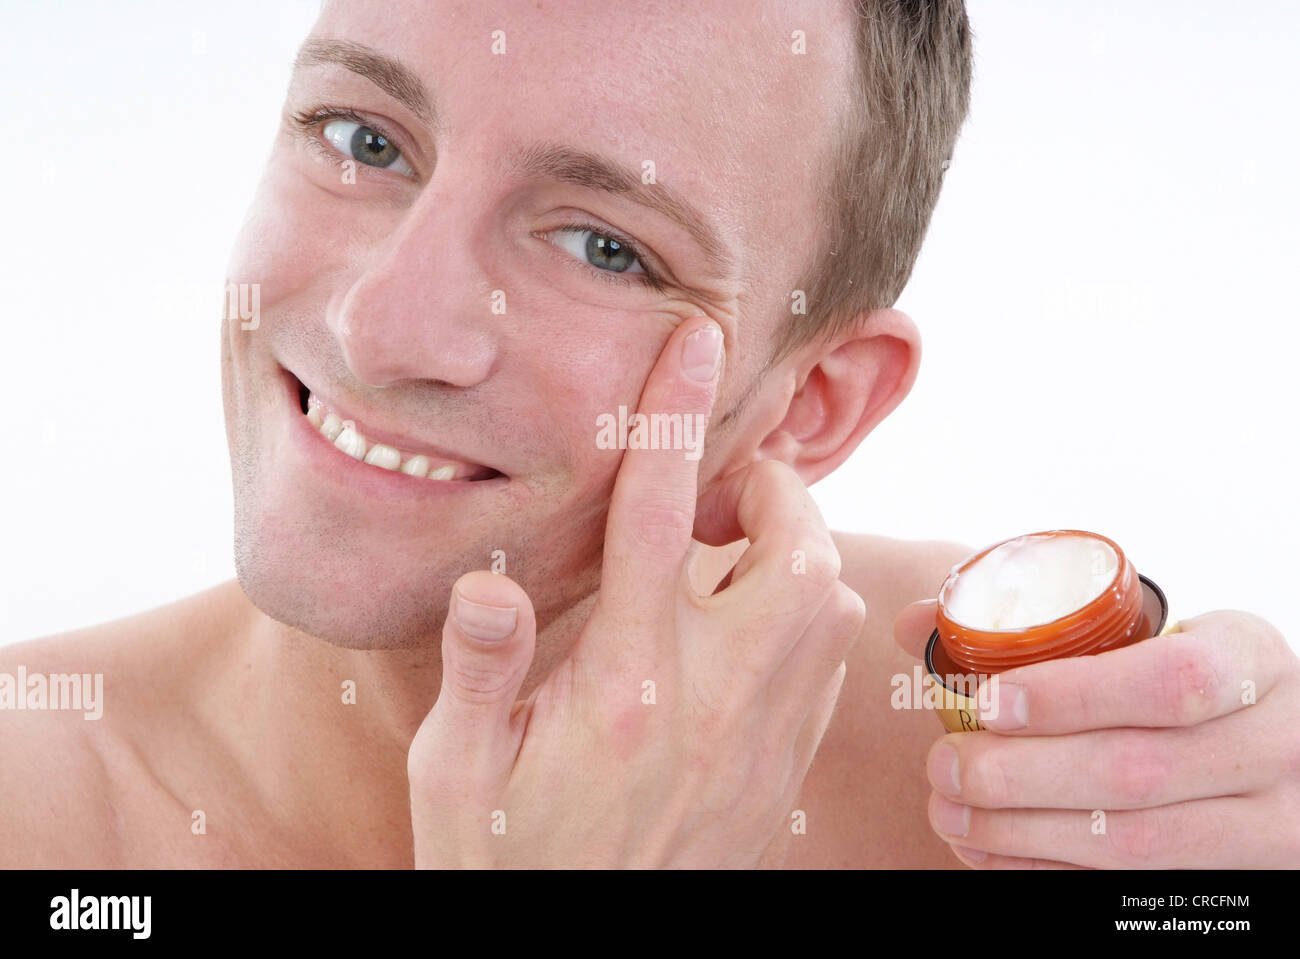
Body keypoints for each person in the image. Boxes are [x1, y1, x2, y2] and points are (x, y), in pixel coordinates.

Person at [2, 0, 1295, 869]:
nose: (380, 321)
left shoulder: (997, 774)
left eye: (603, 245)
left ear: (816, 401)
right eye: (364, 139)